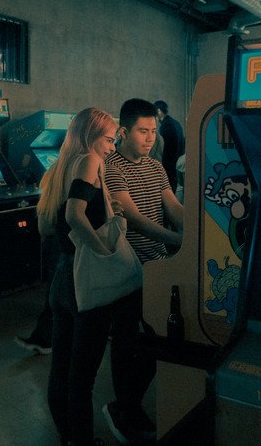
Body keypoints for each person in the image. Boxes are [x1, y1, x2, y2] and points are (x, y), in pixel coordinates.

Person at [102, 98, 184, 444]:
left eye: (153, 131)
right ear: (123, 131)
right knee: (127, 340)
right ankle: (124, 408)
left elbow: (173, 206)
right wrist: (179, 239)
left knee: (157, 339)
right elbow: (133, 219)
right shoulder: (111, 167)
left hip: (157, 266)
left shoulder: (155, 166)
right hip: (128, 266)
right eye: (142, 131)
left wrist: (200, 230)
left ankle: (128, 404)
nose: (150, 138)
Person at [37, 107, 120, 446]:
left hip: (61, 277)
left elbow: (45, 226)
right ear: (90, 136)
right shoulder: (89, 160)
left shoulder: (57, 167)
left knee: (61, 369)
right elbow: (74, 215)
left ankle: (68, 436)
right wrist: (104, 252)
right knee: (82, 378)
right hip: (85, 280)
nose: (111, 148)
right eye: (109, 140)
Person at [153, 100, 185, 193]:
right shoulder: (176, 123)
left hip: (169, 165)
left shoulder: (166, 126)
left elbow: (163, 149)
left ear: (159, 111)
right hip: (179, 163)